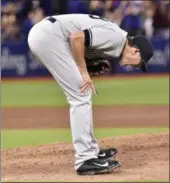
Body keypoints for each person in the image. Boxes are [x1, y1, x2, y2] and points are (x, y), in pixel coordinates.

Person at [27, 13, 153, 175]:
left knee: (82, 92)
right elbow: (76, 38)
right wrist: (83, 70)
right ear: (136, 51)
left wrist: (89, 64)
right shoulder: (116, 38)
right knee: (81, 93)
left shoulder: (116, 42)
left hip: (50, 34)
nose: (136, 67)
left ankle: (92, 150)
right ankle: (85, 159)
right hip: (49, 36)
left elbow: (79, 39)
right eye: (139, 64)